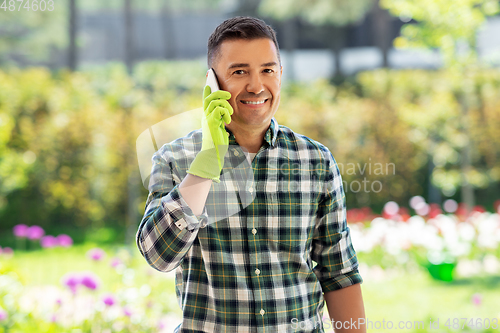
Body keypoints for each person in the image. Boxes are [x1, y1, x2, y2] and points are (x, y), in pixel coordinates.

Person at [136, 16, 366, 333]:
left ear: (281, 75)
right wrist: (206, 164)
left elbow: (339, 273)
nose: (256, 85)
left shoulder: (316, 161)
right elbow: (158, 257)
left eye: (267, 70)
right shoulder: (175, 159)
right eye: (239, 72)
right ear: (212, 82)